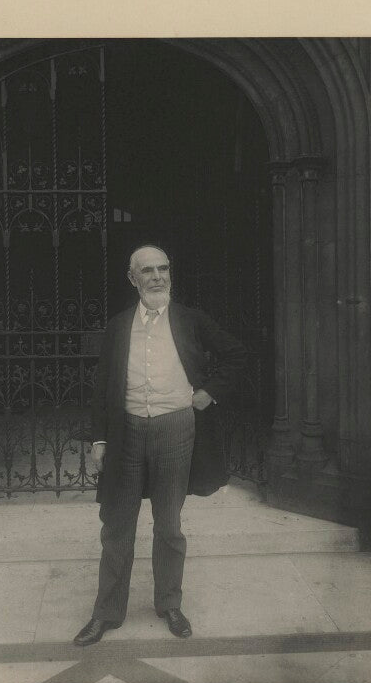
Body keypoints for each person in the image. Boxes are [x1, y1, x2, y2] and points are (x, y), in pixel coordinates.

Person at [73, 244, 246, 646]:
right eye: (147, 271)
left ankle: (169, 604)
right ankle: (106, 613)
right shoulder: (118, 326)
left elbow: (235, 354)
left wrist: (208, 393)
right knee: (117, 525)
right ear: (132, 278)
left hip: (176, 429)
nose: (157, 277)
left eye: (163, 269)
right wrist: (99, 437)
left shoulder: (190, 320)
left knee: (169, 524)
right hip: (125, 433)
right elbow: (102, 388)